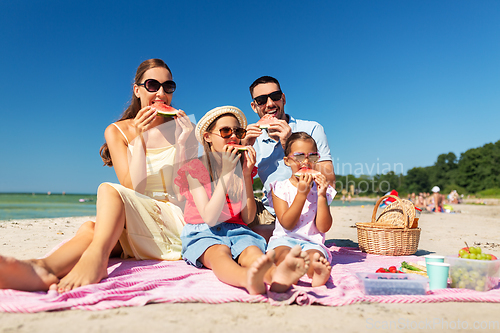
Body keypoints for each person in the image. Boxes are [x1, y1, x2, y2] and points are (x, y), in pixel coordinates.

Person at [0, 59, 194, 292]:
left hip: (173, 218)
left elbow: (186, 193)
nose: (161, 93)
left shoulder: (184, 130)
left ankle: (97, 259)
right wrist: (140, 139)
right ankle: (42, 267)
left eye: (168, 86)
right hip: (136, 219)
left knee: (108, 190)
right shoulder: (117, 131)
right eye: (153, 85)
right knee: (90, 229)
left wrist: (185, 145)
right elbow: (134, 188)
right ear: (137, 89)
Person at [175, 106, 310, 294]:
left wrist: (246, 175)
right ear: (208, 137)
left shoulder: (242, 168)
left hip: (237, 229)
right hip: (203, 230)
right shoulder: (195, 168)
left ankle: (277, 276)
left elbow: (247, 218)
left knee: (253, 253)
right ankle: (246, 279)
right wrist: (226, 174)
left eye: (238, 131)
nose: (233, 136)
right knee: (218, 255)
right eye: (225, 131)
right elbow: (210, 217)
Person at [243, 76, 335, 240]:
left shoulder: (312, 129)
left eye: (275, 97)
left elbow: (329, 180)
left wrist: (289, 144)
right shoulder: (253, 139)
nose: (270, 104)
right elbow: (237, 189)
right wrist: (243, 154)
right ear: (254, 106)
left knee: (254, 237)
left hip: (307, 208)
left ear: (283, 98)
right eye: (262, 100)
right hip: (269, 212)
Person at [269, 132, 336, 287]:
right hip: (283, 240)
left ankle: (316, 273)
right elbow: (287, 224)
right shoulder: (279, 188)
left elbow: (323, 227)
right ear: (287, 161)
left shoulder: (322, 189)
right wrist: (301, 194)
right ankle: (289, 271)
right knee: (284, 255)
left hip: (313, 242)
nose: (306, 161)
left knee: (315, 257)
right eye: (299, 156)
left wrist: (321, 196)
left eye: (312, 156)